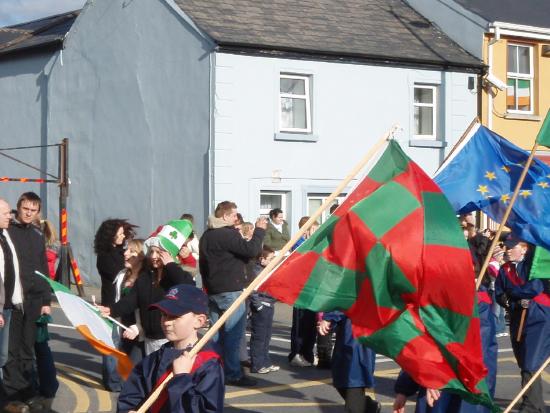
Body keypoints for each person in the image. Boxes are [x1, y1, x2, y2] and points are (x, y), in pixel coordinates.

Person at [117, 284, 224, 413]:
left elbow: (205, 409)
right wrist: (129, 410)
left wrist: (181, 378)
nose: (166, 321)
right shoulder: (154, 358)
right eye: (164, 314)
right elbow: (131, 395)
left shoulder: (209, 364)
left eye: (174, 316)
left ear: (199, 321)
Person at [99, 220, 195, 355]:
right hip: (149, 340)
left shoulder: (177, 275)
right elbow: (131, 300)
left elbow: (189, 288)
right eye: (152, 252)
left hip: (170, 339)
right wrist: (111, 310)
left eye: (159, 252)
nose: (154, 256)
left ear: (170, 254)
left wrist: (171, 265)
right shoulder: (146, 277)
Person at [199, 201, 266, 386]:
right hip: (230, 290)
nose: (236, 217)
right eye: (234, 214)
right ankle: (233, 373)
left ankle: (215, 369)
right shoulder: (226, 234)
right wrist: (259, 231)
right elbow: (251, 250)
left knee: (215, 334)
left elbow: (202, 264)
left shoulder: (206, 236)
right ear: (225, 216)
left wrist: (208, 286)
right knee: (233, 334)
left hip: (213, 289)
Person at [4, 192, 52, 412]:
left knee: (28, 347)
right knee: (12, 349)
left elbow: (43, 268)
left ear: (37, 213)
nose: (28, 213)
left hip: (34, 300)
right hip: (14, 300)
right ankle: (12, 393)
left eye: (33, 210)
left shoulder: (36, 234)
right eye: (25, 209)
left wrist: (46, 300)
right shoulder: (8, 231)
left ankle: (27, 390)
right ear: (18, 207)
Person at [495, 235, 550, 413]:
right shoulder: (505, 269)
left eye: (512, 246)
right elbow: (499, 293)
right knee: (522, 360)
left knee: (531, 361)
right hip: (518, 317)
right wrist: (511, 300)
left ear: (524, 248)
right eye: (506, 246)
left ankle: (530, 407)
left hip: (538, 317)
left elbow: (534, 288)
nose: (508, 249)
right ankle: (536, 404)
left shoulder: (535, 266)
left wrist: (514, 293)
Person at [318, 311, 380, 413]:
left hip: (357, 343)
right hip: (348, 340)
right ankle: (368, 406)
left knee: (353, 384)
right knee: (341, 381)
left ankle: (366, 406)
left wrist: (329, 318)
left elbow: (346, 300)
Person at [288, 216, 318, 368]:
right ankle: (296, 353)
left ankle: (308, 353)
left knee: (311, 323)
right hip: (301, 289)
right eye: (313, 229)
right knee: (300, 324)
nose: (315, 232)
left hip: (312, 289)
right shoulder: (299, 244)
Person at [112, 239, 146, 364]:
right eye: (126, 250)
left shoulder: (146, 278)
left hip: (140, 336)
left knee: (133, 372)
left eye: (131, 251)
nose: (126, 253)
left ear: (141, 256)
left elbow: (149, 309)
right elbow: (119, 302)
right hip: (123, 331)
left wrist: (138, 328)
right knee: (123, 372)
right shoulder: (122, 275)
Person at [94, 219, 137, 307]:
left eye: (123, 233)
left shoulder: (121, 251)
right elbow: (118, 275)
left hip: (124, 301)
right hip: (112, 302)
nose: (123, 236)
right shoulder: (104, 256)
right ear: (111, 236)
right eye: (120, 234)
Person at [249, 246, 278, 374]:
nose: (273, 261)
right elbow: (252, 291)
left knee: (266, 336)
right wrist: (258, 305)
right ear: (262, 259)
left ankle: (265, 361)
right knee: (259, 337)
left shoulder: (266, 270)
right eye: (270, 258)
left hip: (269, 305)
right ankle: (257, 364)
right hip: (262, 306)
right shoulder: (257, 272)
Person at [0, 199, 14, 389]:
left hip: (8, 304)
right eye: (5, 214)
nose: (9, 217)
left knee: (2, 355)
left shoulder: (4, 236)